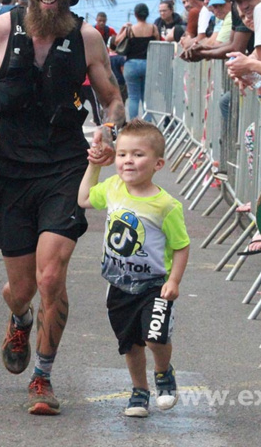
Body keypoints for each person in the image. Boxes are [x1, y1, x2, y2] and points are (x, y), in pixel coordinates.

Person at [0, 0, 125, 415]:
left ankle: (43, 378)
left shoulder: (88, 39)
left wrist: (108, 131)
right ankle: (19, 317)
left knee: (51, 276)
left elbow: (112, 98)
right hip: (13, 168)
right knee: (22, 288)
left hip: (66, 166)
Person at [77, 119, 190, 418]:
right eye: (123, 154)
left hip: (154, 285)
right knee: (129, 343)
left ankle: (164, 372)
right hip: (119, 284)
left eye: (138, 155)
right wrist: (94, 165)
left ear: (158, 163)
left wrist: (174, 280)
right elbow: (85, 198)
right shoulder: (113, 187)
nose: (128, 161)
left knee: (155, 338)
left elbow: (181, 246)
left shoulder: (166, 205)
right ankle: (139, 390)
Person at [115, 3, 159, 120]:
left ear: (135, 15)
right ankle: (147, 123)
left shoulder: (130, 30)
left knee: (133, 97)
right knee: (146, 97)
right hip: (148, 64)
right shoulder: (153, 28)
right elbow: (158, 43)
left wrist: (123, 29)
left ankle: (134, 123)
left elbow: (116, 41)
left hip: (131, 64)